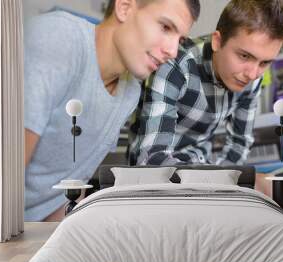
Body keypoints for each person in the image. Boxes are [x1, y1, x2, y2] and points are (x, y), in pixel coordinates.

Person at [129, 0, 283, 211]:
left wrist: (226, 189)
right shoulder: (175, 66)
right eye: (245, 56)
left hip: (204, 175)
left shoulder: (252, 77)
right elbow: (152, 161)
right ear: (217, 41)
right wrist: (235, 181)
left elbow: (240, 142)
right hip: (152, 186)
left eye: (264, 63)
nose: (253, 74)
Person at [24, 0, 200, 221]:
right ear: (124, 7)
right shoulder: (60, 38)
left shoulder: (130, 93)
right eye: (165, 27)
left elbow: (67, 190)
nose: (172, 52)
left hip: (39, 231)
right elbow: (1, 180)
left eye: (180, 39)